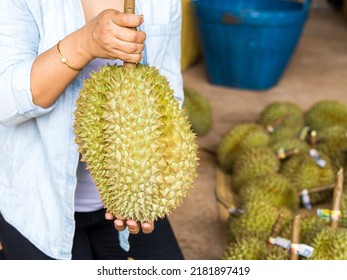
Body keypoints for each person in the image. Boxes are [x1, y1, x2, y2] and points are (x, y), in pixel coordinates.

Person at [0, 0, 184, 260]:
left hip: (132, 196)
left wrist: (151, 183)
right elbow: (4, 103)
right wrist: (85, 43)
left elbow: (170, 97)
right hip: (37, 206)